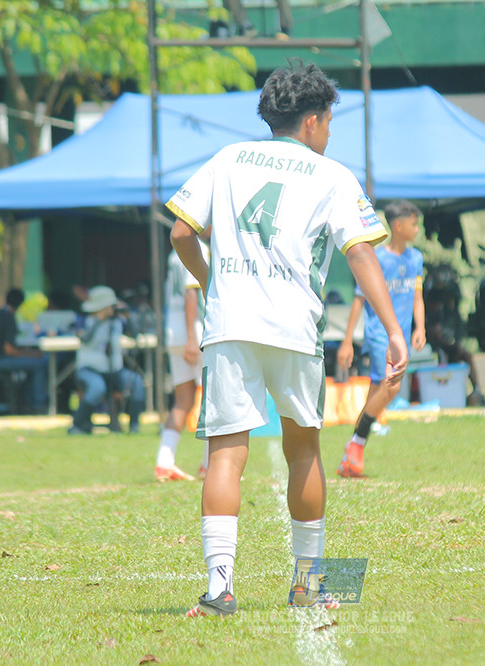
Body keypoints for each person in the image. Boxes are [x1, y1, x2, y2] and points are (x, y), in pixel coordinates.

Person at [166, 61, 408, 618]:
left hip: (230, 326)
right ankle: (306, 585)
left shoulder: (228, 159)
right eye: (329, 123)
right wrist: (394, 329)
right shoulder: (331, 174)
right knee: (303, 451)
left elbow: (181, 230)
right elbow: (360, 252)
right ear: (315, 121)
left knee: (225, 453)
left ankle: (220, 590)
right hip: (295, 328)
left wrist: (211, 281)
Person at [335, 199, 427, 478]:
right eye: (413, 224)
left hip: (400, 337)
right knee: (391, 388)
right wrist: (348, 340)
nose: (417, 229)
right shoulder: (377, 259)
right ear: (397, 226)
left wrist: (420, 327)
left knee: (379, 392)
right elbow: (359, 301)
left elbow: (417, 297)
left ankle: (351, 452)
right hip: (380, 336)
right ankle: (357, 446)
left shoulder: (416, 258)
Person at [154, 249, 210, 481]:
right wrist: (191, 338)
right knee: (213, 400)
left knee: (183, 401)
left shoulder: (174, 252)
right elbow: (191, 294)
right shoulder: (199, 247)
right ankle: (209, 465)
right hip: (194, 334)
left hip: (174, 332)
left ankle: (164, 462)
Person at [68, 286, 145, 435]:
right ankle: (77, 425)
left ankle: (134, 426)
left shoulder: (117, 322)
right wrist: (99, 320)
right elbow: (85, 337)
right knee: (97, 388)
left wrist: (129, 316)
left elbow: (135, 336)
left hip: (114, 370)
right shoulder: (85, 320)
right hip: (89, 369)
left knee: (136, 383)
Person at [0, 288, 49, 415]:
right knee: (39, 364)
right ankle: (37, 405)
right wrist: (32, 354)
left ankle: (27, 401)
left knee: (31, 364)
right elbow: (9, 350)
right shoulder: (8, 317)